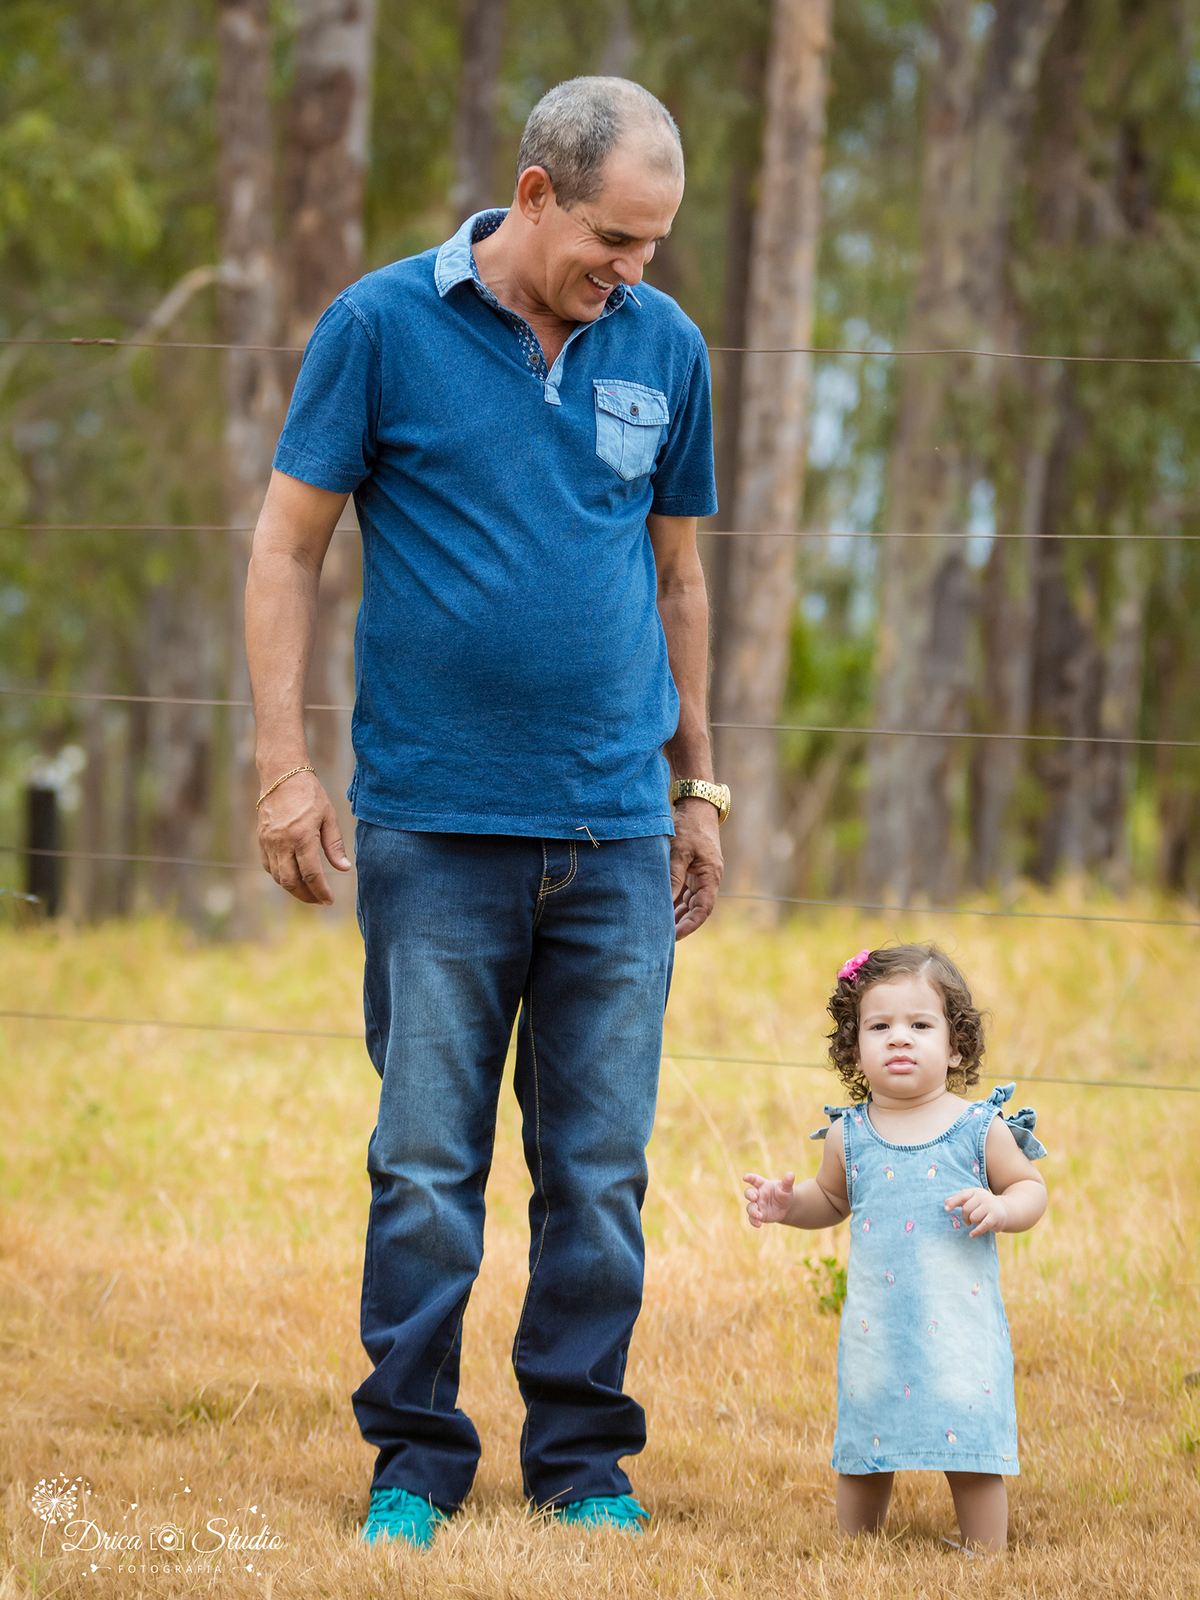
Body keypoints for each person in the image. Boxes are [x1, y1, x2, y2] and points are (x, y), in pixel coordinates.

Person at [245, 76, 727, 1547]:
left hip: (615, 838)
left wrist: (697, 784)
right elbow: (287, 548)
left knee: (597, 1172)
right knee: (426, 1165)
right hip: (436, 830)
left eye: (653, 244)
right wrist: (283, 765)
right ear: (532, 193)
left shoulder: (666, 347)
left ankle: (582, 1462)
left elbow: (680, 578)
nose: (631, 271)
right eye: (612, 238)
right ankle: (416, 1461)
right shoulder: (381, 327)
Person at [743, 945, 1048, 1555]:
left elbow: (1030, 1188)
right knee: (866, 1435)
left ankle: (984, 1553)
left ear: (956, 1045)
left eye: (920, 1025)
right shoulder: (848, 1134)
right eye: (879, 1027)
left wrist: (1004, 1209)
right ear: (854, 1049)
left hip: (959, 1326)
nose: (899, 1039)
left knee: (971, 1441)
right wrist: (786, 1206)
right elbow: (830, 1200)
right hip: (877, 1326)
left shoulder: (978, 1127)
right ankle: (858, 1546)